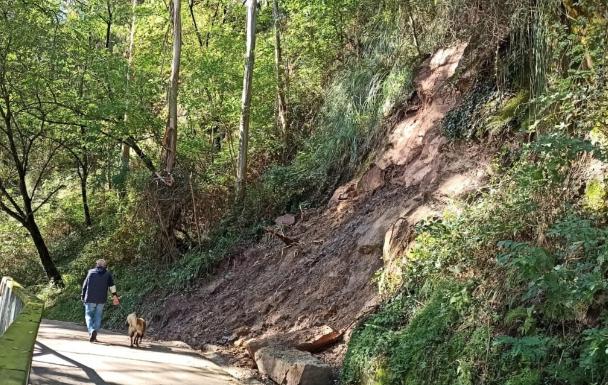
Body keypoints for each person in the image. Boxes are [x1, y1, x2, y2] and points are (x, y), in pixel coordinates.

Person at [81, 259, 120, 342]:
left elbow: (85, 285)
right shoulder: (108, 274)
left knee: (88, 316)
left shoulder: (90, 272)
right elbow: (112, 286)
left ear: (96, 265)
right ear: (105, 266)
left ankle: (92, 331)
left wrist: (82, 296)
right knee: (98, 316)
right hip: (101, 299)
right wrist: (115, 296)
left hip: (90, 298)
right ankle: (94, 333)